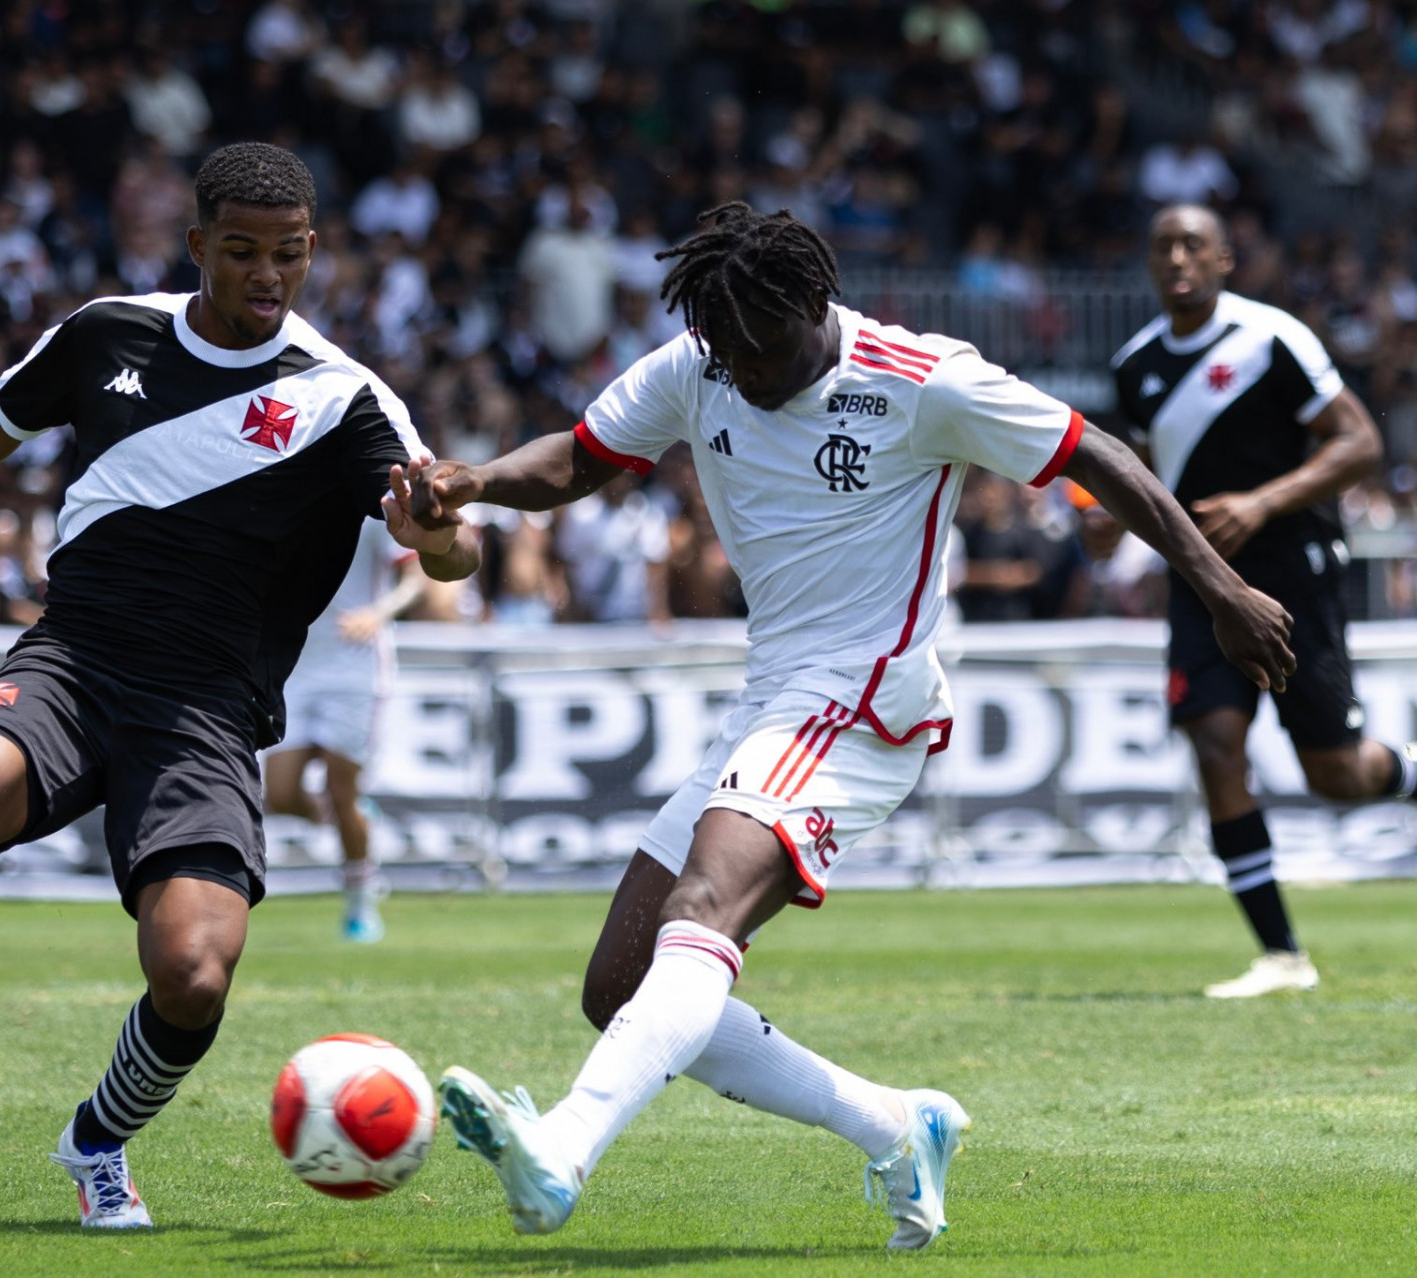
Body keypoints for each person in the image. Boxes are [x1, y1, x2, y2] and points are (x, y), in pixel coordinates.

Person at [406, 202, 1295, 1248]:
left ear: (811, 305)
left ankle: (561, 1148)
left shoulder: (923, 380)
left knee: (702, 908)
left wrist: (1221, 590)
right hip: (772, 701)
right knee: (621, 989)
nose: (742, 369)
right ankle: (895, 1122)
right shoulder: (704, 361)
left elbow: (1096, 453)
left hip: (868, 700)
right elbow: (583, 458)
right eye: (725, 348)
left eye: (761, 346)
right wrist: (476, 480)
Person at [0, 143, 478, 1229]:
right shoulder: (108, 331)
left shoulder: (344, 400)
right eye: (246, 252)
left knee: (196, 975)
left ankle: (97, 1141)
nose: (269, 276)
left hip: (207, 711)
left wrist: (436, 535)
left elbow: (451, 550)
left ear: (315, 252)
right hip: (74, 659)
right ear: (199, 244)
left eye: (291, 256)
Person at [1112, 204, 1416, 998]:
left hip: (1292, 568)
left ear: (1224, 262)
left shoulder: (1270, 339)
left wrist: (1260, 504)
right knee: (1216, 743)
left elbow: (1359, 443)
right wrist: (1105, 531)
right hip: (1201, 581)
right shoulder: (1134, 365)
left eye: (1193, 245)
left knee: (1338, 776)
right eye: (1163, 246)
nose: (1176, 258)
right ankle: (1283, 955)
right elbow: (1146, 481)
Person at [262, 514, 425, 942]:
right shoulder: (283, 502)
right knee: (278, 793)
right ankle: (348, 820)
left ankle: (360, 901)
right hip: (297, 667)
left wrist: (378, 613)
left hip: (356, 666)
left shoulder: (368, 515)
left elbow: (415, 575)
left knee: (342, 786)